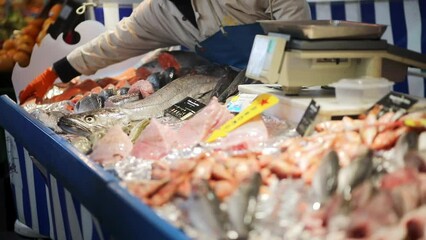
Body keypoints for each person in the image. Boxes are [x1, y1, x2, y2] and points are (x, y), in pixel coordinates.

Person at [19, 0, 311, 103]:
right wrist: (56, 72)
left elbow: (299, 30)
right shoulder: (158, 11)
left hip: (295, 86)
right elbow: (114, 42)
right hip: (235, 93)